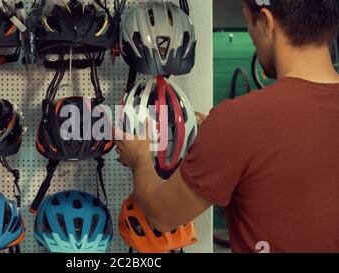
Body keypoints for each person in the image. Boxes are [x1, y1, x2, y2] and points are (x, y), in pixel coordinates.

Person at [115, 0, 339, 253]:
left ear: (266, 21)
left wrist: (140, 160)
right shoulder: (239, 123)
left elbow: (163, 215)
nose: (251, 36)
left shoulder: (240, 120)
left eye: (248, 21)